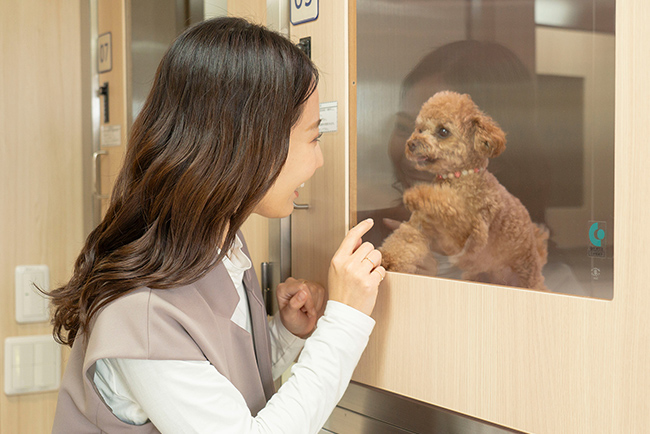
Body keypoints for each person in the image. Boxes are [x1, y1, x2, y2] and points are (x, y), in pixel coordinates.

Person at [49, 17, 385, 433]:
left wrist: (283, 335)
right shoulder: (144, 312)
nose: (318, 161)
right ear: (249, 144)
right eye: (313, 138)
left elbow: (214, 381)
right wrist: (346, 320)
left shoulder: (212, 246)